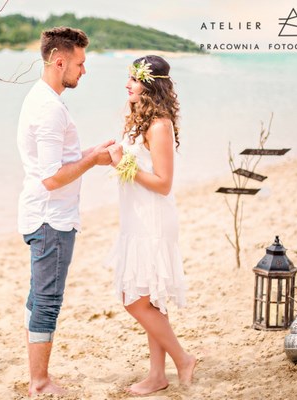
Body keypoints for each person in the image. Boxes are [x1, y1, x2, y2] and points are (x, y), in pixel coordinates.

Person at [17, 26, 114, 396]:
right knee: (47, 300)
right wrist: (92, 162)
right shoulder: (49, 109)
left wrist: (91, 155)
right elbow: (51, 178)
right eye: (80, 63)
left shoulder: (43, 98)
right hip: (50, 218)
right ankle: (40, 382)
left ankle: (36, 375)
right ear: (60, 61)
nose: (83, 71)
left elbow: (57, 162)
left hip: (44, 214)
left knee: (37, 297)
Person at [105, 55, 197, 395]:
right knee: (152, 301)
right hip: (136, 218)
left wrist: (122, 166)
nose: (127, 84)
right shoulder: (139, 120)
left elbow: (163, 183)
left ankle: (183, 358)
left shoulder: (159, 125)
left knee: (135, 300)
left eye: (134, 79)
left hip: (153, 221)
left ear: (150, 83)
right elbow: (134, 161)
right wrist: (116, 154)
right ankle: (157, 375)